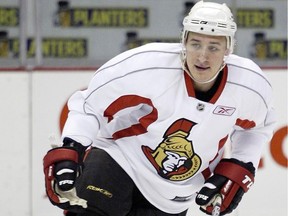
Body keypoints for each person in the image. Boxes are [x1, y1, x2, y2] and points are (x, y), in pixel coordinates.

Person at [43, 1, 276, 216]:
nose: (202, 56)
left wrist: (241, 164)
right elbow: (89, 105)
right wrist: (71, 147)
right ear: (184, 42)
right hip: (120, 160)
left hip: (174, 193)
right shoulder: (147, 66)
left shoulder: (249, 85)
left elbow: (257, 129)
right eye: (196, 44)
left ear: (228, 50)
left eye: (213, 47)